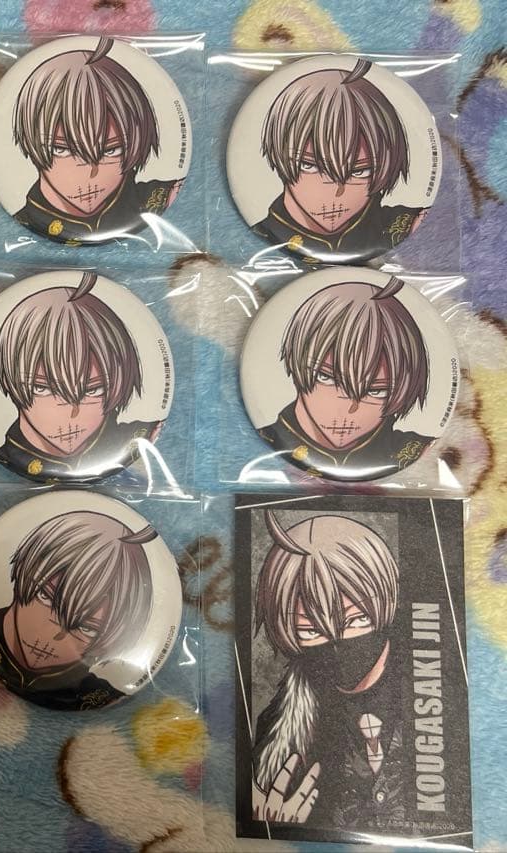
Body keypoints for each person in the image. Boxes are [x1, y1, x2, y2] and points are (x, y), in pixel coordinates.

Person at [251, 510, 406, 830]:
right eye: (310, 630)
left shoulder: (431, 682)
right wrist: (275, 829)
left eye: (356, 619)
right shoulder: (277, 730)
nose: (336, 642)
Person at [0, 511, 156, 711]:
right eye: (45, 596)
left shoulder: (97, 695)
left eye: (87, 628)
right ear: (25, 568)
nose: (54, 634)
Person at [257, 276, 433, 480]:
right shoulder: (262, 441)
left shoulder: (420, 451)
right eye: (325, 377)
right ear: (297, 362)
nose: (348, 407)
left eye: (377, 390)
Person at [0, 272, 160, 481]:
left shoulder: (143, 436)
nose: (71, 413)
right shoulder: (2, 457)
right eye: (41, 388)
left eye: (93, 389)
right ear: (11, 380)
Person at [12, 37, 180, 243]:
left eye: (111, 150)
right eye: (61, 150)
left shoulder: (164, 196)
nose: (90, 173)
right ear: (31, 140)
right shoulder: (21, 223)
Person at [253, 59, 424, 262]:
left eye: (360, 171)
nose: (336, 191)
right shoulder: (259, 238)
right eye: (309, 165)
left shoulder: (408, 225)